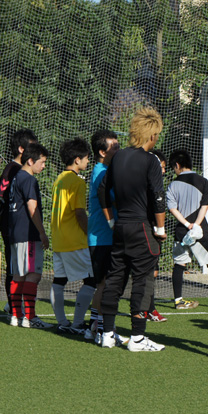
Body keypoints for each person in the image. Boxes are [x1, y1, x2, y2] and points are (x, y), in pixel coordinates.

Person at [99, 107, 167, 352]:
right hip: (141, 228)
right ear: (152, 135)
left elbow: (102, 190)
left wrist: (110, 221)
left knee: (115, 278)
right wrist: (160, 228)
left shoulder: (118, 157)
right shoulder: (150, 160)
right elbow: (158, 197)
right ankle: (137, 337)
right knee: (143, 280)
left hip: (120, 227)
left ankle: (107, 333)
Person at [50, 137, 96, 335]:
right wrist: (89, 233)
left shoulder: (59, 179)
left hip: (59, 239)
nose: (88, 161)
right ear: (77, 160)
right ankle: (77, 324)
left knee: (59, 281)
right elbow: (79, 213)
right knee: (91, 281)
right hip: (74, 240)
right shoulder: (77, 182)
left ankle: (62, 322)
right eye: (86, 158)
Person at [167, 148, 208, 307]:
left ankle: (178, 301)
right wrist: (196, 225)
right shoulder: (203, 181)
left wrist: (186, 225)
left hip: (181, 231)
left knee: (179, 264)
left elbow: (172, 209)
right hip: (200, 230)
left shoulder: (172, 185)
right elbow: (205, 206)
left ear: (177, 165)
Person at [0, 129, 38, 319]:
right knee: (14, 268)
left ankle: (12, 304)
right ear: (21, 149)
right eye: (31, 146)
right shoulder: (12, 169)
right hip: (12, 228)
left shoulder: (22, 169)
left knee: (22, 268)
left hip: (19, 227)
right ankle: (14, 308)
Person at [7, 143, 52, 328]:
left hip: (15, 234)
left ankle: (16, 316)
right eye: (42, 162)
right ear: (31, 161)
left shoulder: (16, 177)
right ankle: (30, 318)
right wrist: (42, 233)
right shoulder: (29, 179)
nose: (44, 166)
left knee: (18, 275)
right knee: (33, 274)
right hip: (28, 234)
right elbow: (32, 207)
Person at [87, 129, 122, 344]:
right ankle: (102, 329)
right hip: (103, 237)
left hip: (102, 237)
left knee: (103, 284)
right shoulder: (102, 172)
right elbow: (115, 198)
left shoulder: (102, 170)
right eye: (114, 147)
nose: (118, 150)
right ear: (102, 152)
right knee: (105, 284)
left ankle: (94, 327)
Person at [145, 150, 168, 323]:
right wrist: (159, 229)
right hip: (146, 232)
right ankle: (147, 309)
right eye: (161, 167)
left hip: (151, 233)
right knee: (146, 273)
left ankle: (148, 308)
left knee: (152, 272)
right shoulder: (149, 187)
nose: (164, 171)